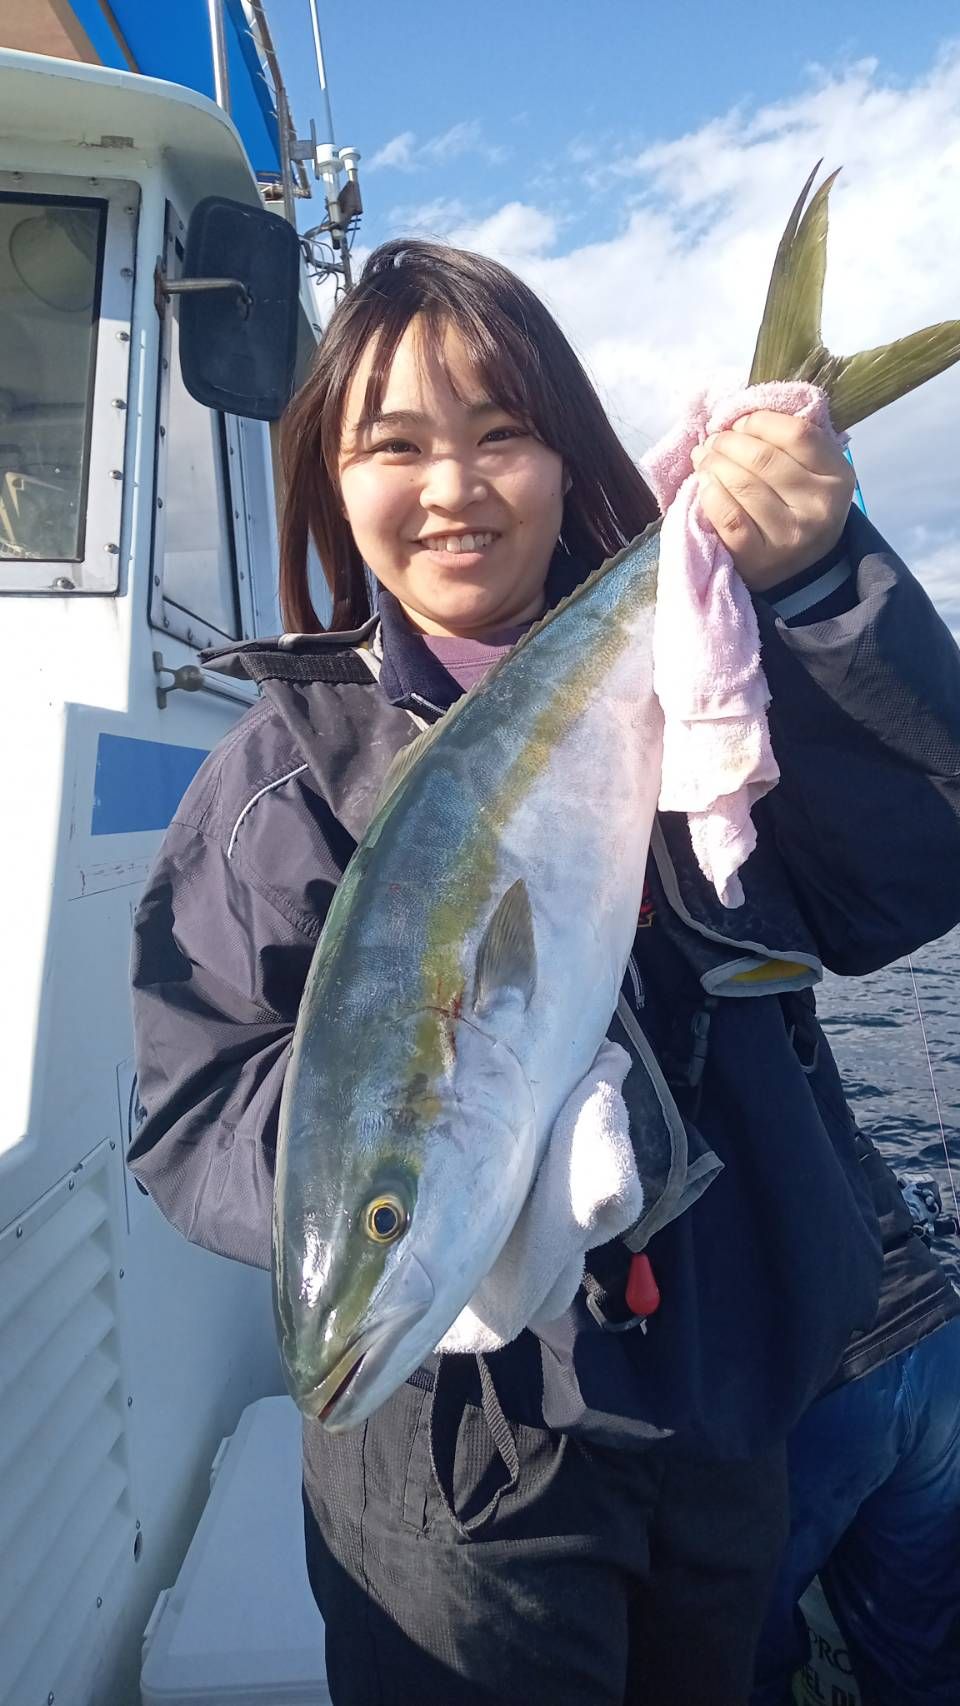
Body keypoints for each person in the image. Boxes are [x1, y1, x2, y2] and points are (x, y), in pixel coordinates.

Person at [129, 240, 960, 1706]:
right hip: (457, 1456)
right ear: (333, 478)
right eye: (394, 445)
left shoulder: (710, 684)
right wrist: (425, 1176)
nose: (451, 487)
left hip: (727, 1397)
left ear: (570, 460)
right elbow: (196, 1103)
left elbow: (905, 874)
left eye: (500, 432)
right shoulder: (277, 787)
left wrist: (825, 585)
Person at [752, 1142, 960, 1706]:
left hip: (825, 1384)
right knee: (922, 1658)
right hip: (936, 1333)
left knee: (740, 1649)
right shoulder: (807, 1094)